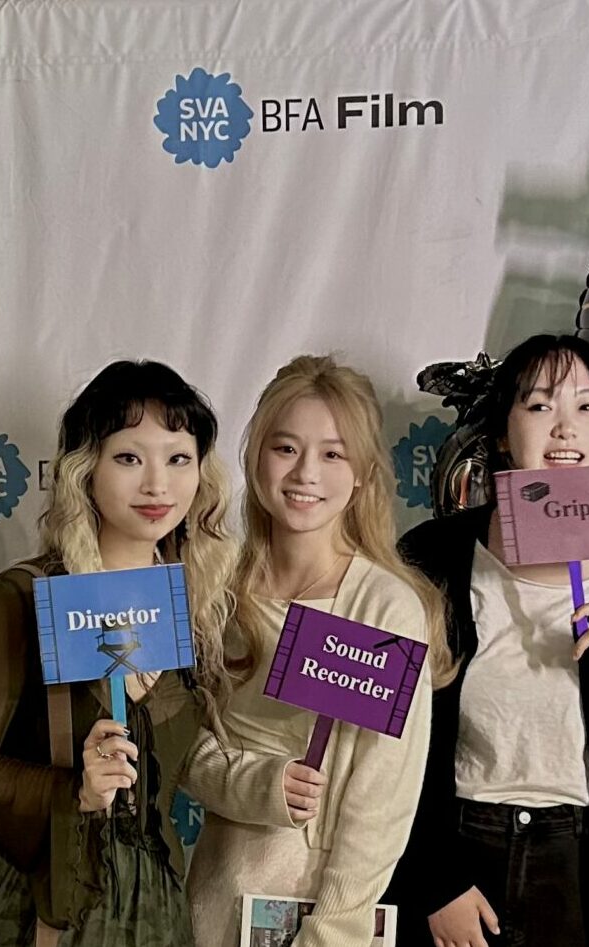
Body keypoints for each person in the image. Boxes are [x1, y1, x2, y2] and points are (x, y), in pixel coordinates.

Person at [386, 335, 589, 947]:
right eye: (539, 406)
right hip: (459, 856)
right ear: (505, 433)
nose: (565, 428)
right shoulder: (429, 555)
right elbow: (390, 734)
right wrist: (435, 880)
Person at [0, 361, 240, 947]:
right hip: (36, 908)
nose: (157, 485)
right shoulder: (23, 595)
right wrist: (71, 789)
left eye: (178, 458)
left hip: (156, 914)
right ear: (83, 469)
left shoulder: (195, 607)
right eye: (129, 457)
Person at [184, 356, 453, 947]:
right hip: (210, 895)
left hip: (328, 916)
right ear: (255, 457)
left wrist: (332, 929)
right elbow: (179, 744)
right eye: (285, 448)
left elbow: (385, 794)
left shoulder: (385, 607)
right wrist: (255, 784)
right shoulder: (213, 587)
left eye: (333, 454)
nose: (306, 473)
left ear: (361, 473)